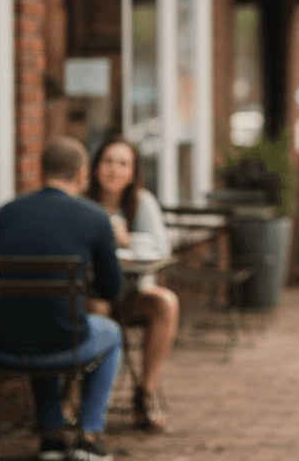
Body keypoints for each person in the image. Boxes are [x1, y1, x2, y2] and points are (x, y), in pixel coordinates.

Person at [0, 137, 123, 461]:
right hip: (60, 345)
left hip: (1, 344)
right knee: (109, 333)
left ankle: (51, 438)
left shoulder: (7, 212)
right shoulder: (94, 216)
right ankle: (88, 438)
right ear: (81, 174)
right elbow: (112, 290)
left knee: (40, 317)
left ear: (39, 170)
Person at [84, 135, 180, 431]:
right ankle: (86, 400)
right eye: (108, 161)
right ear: (95, 166)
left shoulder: (143, 203)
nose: (114, 169)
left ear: (133, 172)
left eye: (123, 163)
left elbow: (162, 250)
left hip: (131, 295)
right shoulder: (84, 204)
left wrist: (128, 241)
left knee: (166, 303)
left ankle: (145, 393)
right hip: (92, 295)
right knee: (97, 306)